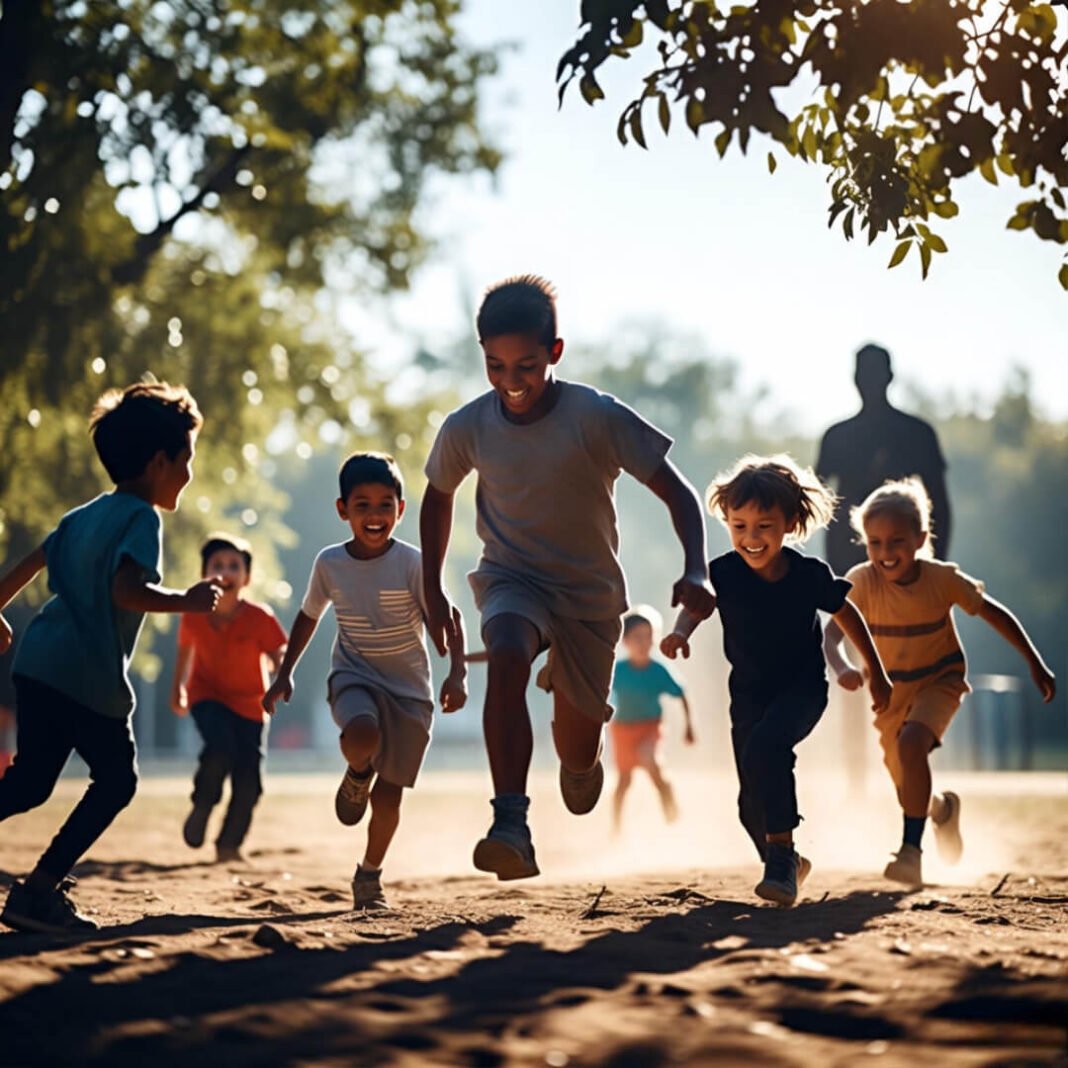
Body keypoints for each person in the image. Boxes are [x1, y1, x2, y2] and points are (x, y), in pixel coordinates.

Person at [420, 274, 716, 882]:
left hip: (588, 597)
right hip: (512, 578)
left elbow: (679, 492)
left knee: (578, 766)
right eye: (495, 366)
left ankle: (582, 753)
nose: (511, 382)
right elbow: (437, 495)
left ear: (555, 352)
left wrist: (695, 567)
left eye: (525, 364)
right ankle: (510, 824)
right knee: (505, 654)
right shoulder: (469, 426)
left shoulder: (596, 416)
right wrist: (432, 583)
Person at [0, 382, 220, 933]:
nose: (189, 474)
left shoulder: (83, 514)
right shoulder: (142, 518)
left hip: (38, 665)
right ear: (159, 461)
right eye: (186, 460)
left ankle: (38, 890)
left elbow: (31, 561)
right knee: (117, 781)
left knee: (28, 783)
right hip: (85, 677)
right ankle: (39, 891)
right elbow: (126, 591)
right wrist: (187, 602)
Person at [662, 455, 892, 907]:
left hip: (803, 689)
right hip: (748, 694)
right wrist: (678, 632)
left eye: (764, 526)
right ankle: (787, 859)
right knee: (750, 805)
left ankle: (781, 861)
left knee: (770, 747)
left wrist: (876, 672)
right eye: (739, 525)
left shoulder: (807, 575)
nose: (751, 538)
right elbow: (698, 605)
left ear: (789, 523)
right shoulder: (723, 573)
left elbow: (848, 615)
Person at [824, 478, 1056, 887]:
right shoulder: (860, 582)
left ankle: (910, 853)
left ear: (920, 539)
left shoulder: (942, 579)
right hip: (890, 694)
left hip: (940, 679)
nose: (885, 553)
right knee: (907, 786)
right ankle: (942, 811)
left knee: (913, 745)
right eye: (874, 543)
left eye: (896, 541)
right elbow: (830, 634)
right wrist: (841, 667)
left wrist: (1033, 662)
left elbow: (994, 613)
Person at [264, 452, 467, 911]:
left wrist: (457, 672)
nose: (374, 516)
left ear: (400, 509)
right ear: (343, 510)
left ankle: (369, 875)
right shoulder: (330, 563)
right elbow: (308, 617)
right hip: (355, 674)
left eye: (384, 505)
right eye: (362, 505)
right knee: (361, 734)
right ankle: (358, 773)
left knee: (389, 799)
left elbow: (451, 618)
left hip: (411, 693)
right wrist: (284, 674)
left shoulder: (415, 563)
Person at [171, 533, 287, 862]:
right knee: (219, 748)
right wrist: (177, 687)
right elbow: (184, 651)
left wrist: (281, 677)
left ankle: (229, 845)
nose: (225, 572)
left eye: (234, 566)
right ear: (204, 574)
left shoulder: (259, 617)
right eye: (217, 565)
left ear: (246, 578)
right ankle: (203, 803)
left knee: (249, 781)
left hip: (251, 704)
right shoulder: (193, 613)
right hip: (206, 694)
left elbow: (279, 652)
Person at [817, 343, 952, 575]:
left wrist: (934, 566)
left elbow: (938, 503)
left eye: (873, 373)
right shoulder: (837, 437)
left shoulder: (917, 434)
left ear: (889, 377)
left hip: (906, 561)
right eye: (864, 374)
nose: (869, 382)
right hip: (848, 560)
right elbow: (817, 499)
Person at [610, 605, 694, 833]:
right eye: (637, 637)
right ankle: (616, 828)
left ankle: (671, 808)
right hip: (622, 730)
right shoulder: (618, 670)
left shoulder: (658, 670)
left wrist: (689, 727)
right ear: (625, 641)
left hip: (649, 728)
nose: (643, 642)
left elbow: (681, 693)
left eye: (648, 637)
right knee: (623, 782)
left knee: (651, 763)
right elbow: (600, 693)